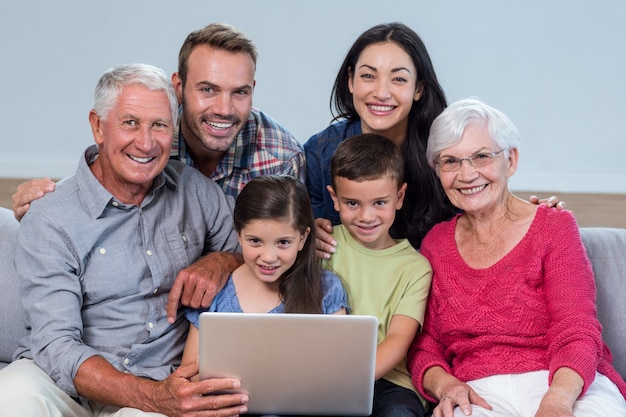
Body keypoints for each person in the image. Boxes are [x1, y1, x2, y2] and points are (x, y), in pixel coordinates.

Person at [11, 22, 305, 323]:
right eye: (208, 89)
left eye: (239, 92)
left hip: (234, 313)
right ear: (179, 88)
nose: (224, 109)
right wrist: (46, 205)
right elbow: (102, 174)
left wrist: (225, 260)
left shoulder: (280, 156)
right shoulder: (151, 135)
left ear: (252, 90)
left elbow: (287, 255)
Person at [0, 64, 249, 416]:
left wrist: (224, 260)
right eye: (130, 122)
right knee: (11, 393)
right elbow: (57, 344)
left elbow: (257, 258)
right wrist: (150, 395)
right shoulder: (51, 216)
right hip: (66, 384)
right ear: (98, 126)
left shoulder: (195, 191)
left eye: (159, 125)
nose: (145, 143)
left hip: (161, 379)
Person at [407, 98, 626, 417]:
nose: (467, 174)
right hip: (478, 391)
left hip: (565, 381)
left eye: (481, 156)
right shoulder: (436, 245)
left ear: (510, 160)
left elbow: (576, 328)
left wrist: (557, 400)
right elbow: (424, 345)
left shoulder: (554, 226)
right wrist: (446, 386)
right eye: (450, 161)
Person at [305, 22, 562, 257]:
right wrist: (305, 236)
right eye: (368, 76)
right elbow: (295, 233)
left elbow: (483, 208)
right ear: (350, 81)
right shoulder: (319, 154)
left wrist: (534, 215)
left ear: (418, 88)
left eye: (399, 79)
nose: (381, 92)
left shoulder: (446, 148)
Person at [181, 175, 347, 377]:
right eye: (255, 241)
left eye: (283, 242)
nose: (268, 257)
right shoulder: (215, 292)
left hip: (304, 408)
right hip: (230, 406)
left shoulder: (326, 289)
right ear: (238, 235)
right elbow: (188, 375)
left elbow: (338, 374)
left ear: (302, 238)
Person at [324, 134, 432, 417]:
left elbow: (397, 340)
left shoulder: (415, 267)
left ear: (399, 197)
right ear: (334, 199)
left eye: (379, 203)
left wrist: (350, 379)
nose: (366, 216)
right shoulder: (322, 247)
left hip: (388, 382)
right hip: (324, 374)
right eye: (352, 204)